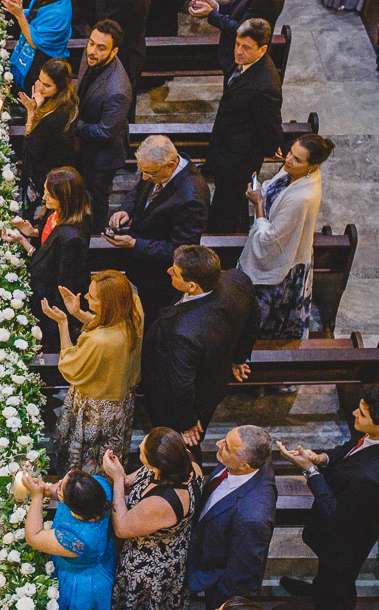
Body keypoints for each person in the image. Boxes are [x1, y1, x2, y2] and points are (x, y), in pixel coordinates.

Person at [141, 246, 259, 452]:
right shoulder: (237, 280)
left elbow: (182, 384)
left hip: (184, 401)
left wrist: (187, 423)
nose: (169, 271)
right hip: (213, 380)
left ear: (192, 286)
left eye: (175, 272)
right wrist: (239, 357)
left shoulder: (182, 331)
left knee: (179, 444)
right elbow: (255, 316)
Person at [277, 385, 379, 610]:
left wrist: (311, 471)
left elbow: (335, 514)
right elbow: (351, 448)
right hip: (346, 517)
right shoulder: (371, 435)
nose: (354, 413)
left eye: (362, 414)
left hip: (346, 540)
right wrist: (321, 458)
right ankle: (318, 590)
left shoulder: (370, 477)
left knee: (338, 582)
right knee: (327, 577)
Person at [45, 270, 142, 474]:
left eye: (92, 297)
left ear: (108, 304)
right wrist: (78, 313)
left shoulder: (98, 341)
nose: (86, 298)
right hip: (120, 402)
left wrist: (63, 323)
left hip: (94, 410)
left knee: (88, 462)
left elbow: (70, 366)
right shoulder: (134, 311)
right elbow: (106, 324)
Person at [105, 135, 210, 323]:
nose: (145, 177)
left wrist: (135, 244)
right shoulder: (155, 168)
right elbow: (138, 191)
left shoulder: (191, 196)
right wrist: (126, 211)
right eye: (142, 171)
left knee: (153, 321)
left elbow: (181, 249)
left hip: (161, 279)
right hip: (142, 268)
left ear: (170, 165)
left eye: (149, 173)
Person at [104, 429, 202, 610]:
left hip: (150, 565)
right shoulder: (182, 464)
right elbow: (130, 482)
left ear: (159, 463)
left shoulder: (163, 502)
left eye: (144, 449)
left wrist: (115, 480)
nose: (140, 446)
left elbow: (122, 527)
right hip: (166, 542)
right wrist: (119, 473)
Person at [240, 134, 335, 339]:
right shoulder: (294, 171)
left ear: (313, 166)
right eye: (291, 152)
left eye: (298, 159)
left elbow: (270, 241)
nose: (288, 160)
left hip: (282, 267)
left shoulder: (301, 198)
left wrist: (257, 203)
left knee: (264, 323)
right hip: (281, 241)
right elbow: (273, 189)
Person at [188, 425, 276, 610]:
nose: (218, 444)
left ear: (245, 466)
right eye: (225, 439)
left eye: (226, 446)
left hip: (217, 576)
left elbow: (241, 575)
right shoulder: (246, 460)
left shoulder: (252, 518)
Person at [207, 18, 283, 234]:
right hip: (228, 143)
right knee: (230, 197)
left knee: (227, 202)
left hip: (238, 158)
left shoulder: (265, 86)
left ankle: (223, 238)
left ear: (262, 50)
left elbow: (269, 125)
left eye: (246, 47)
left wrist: (274, 145)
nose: (238, 52)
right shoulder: (246, 65)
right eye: (237, 44)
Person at [4, 167, 91, 348]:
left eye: (50, 195)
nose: (44, 198)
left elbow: (62, 283)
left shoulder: (72, 238)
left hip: (52, 304)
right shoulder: (56, 214)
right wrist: (31, 233)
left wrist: (57, 321)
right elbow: (49, 247)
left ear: (65, 199)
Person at [24, 471, 115, 610]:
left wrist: (37, 495)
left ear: (73, 507)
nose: (57, 485)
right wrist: (54, 491)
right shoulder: (100, 485)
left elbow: (34, 536)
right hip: (100, 555)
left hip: (81, 582)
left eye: (60, 488)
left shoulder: (76, 539)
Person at [75, 20, 132, 233]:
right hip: (85, 145)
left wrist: (74, 124)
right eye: (91, 43)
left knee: (97, 198)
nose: (92, 51)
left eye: (101, 48)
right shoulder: (90, 56)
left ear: (114, 51)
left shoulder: (117, 89)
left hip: (103, 156)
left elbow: (106, 132)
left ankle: (95, 237)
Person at [16, 60, 79, 222]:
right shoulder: (63, 101)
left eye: (47, 85)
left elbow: (30, 150)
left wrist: (31, 113)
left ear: (60, 86)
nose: (40, 88)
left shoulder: (57, 116)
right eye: (39, 81)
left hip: (43, 176)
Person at [188, 0, 284, 75]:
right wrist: (216, 6)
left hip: (245, 60)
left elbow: (243, 30)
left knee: (238, 96)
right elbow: (238, 8)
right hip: (235, 56)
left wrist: (211, 14)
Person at [2, 0, 73, 92]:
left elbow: (34, 43)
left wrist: (19, 15)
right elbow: (33, 14)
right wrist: (17, 10)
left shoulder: (60, 12)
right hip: (34, 61)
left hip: (44, 64)